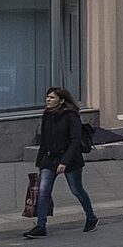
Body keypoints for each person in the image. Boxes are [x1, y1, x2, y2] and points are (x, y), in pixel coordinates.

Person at [23, 87, 95, 239]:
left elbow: (75, 141)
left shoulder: (71, 116)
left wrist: (64, 162)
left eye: (52, 97)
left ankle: (91, 217)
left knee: (76, 190)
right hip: (49, 159)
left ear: (61, 100)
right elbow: (44, 140)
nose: (48, 100)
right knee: (43, 191)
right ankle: (41, 226)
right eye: (47, 97)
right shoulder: (47, 114)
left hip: (70, 159)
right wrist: (41, 162)